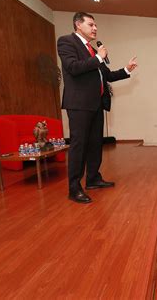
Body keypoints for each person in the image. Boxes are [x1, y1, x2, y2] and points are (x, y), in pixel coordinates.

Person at [58, 12, 137, 204]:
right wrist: (99, 58)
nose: (95, 28)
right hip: (79, 104)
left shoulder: (92, 50)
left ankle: (93, 178)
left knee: (95, 143)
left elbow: (106, 76)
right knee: (79, 145)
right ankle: (74, 188)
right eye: (91, 24)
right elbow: (73, 67)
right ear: (78, 24)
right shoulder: (67, 42)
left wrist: (127, 69)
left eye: (95, 26)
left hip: (96, 103)